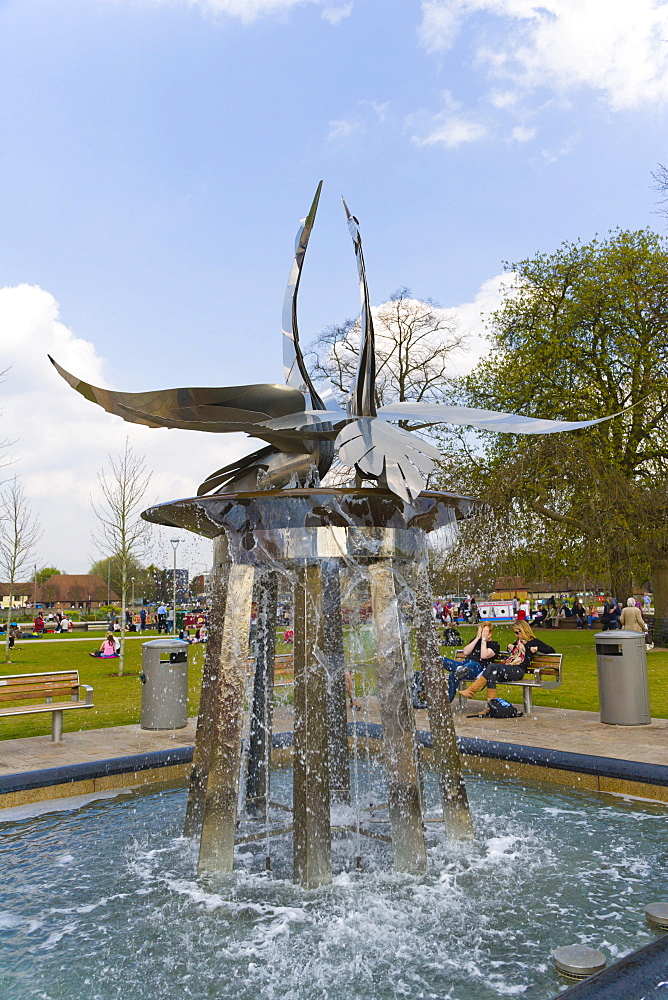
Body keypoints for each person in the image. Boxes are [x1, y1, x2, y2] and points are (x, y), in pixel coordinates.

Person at [460, 621, 552, 702]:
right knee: (491, 677)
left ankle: (472, 690)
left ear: (523, 630)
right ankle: (491, 706)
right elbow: (512, 653)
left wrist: (537, 648)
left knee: (492, 666)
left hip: (518, 670)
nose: (516, 635)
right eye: (515, 633)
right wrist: (509, 647)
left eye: (517, 632)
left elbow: (550, 649)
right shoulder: (518, 642)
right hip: (511, 668)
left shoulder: (533, 642)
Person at [441, 623, 500, 703]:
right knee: (439, 660)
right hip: (464, 663)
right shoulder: (475, 641)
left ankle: (446, 701)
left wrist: (484, 640)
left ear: (490, 633)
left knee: (456, 673)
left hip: (477, 666)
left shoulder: (495, 645)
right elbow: (465, 652)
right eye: (481, 631)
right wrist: (477, 638)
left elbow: (484, 655)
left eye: (485, 631)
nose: (483, 633)